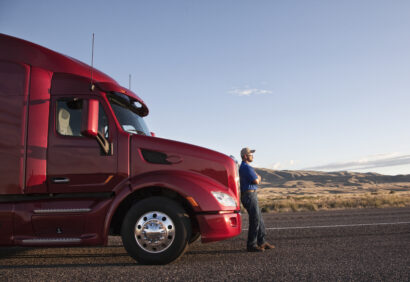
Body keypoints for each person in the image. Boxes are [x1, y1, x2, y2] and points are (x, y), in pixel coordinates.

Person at [239, 147, 275, 252]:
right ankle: (251, 245)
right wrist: (258, 177)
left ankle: (262, 242)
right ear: (245, 156)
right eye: (250, 154)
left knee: (259, 219)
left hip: (251, 195)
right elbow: (256, 180)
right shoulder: (246, 167)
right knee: (255, 219)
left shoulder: (246, 167)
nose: (252, 156)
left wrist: (257, 177)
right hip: (249, 195)